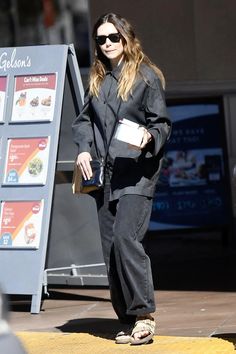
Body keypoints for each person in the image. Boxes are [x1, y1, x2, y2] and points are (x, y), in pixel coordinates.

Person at [72, 12, 171, 345]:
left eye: (113, 37)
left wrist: (149, 137)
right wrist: (84, 149)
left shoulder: (146, 76)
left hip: (136, 175)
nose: (107, 44)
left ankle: (144, 315)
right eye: (101, 39)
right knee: (111, 249)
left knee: (128, 239)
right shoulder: (98, 79)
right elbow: (83, 121)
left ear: (126, 38)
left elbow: (163, 124)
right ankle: (128, 319)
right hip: (105, 177)